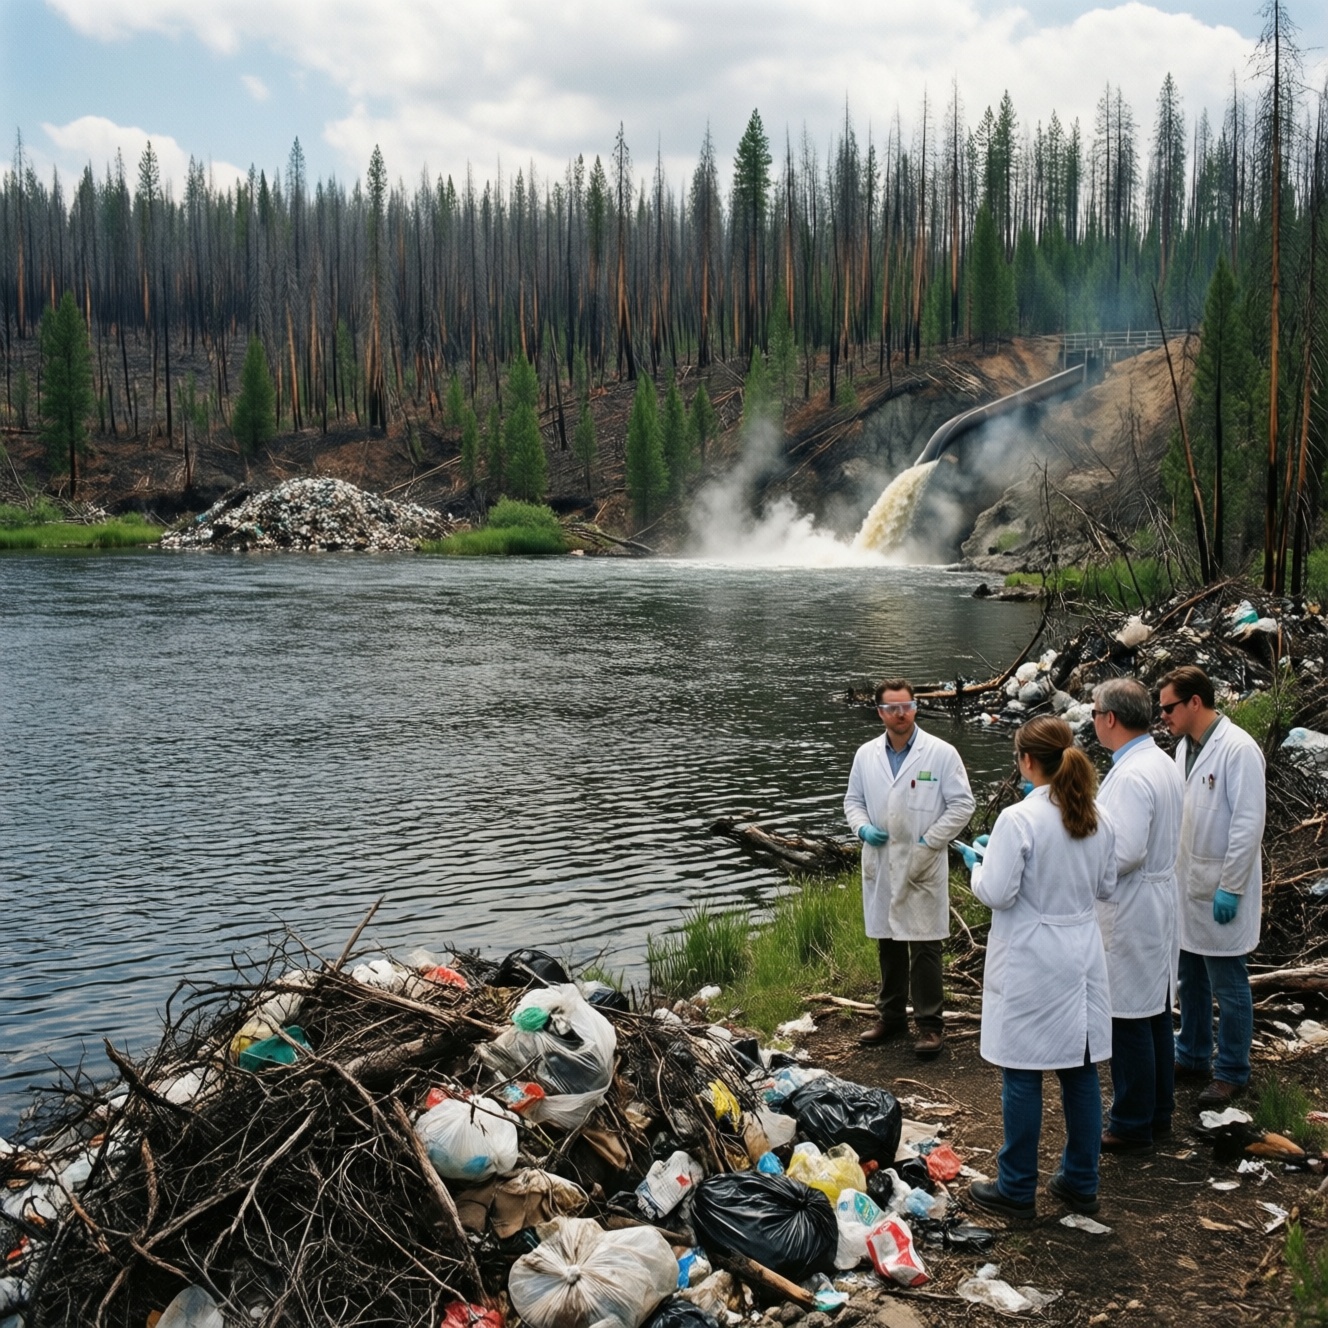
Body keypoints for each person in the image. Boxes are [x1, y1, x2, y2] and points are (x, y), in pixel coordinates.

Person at [960, 716, 1116, 1219]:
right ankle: (1081, 1179)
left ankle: (1016, 1187)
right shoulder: (1095, 814)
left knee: (1022, 1070)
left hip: (1032, 953)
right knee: (1079, 1068)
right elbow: (1107, 885)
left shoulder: (1018, 819)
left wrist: (977, 865)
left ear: (1028, 761)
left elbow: (999, 892)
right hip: (1082, 952)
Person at [844, 678, 975, 1059]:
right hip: (882, 861)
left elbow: (962, 805)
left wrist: (931, 840)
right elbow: (853, 800)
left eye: (907, 706)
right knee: (888, 942)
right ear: (880, 712)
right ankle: (891, 1017)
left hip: (922, 862)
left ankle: (931, 1026)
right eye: (892, 708)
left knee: (925, 947)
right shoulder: (866, 755)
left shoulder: (941, 753)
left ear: (915, 707)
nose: (901, 714)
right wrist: (862, 828)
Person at [1158, 665, 1266, 1109]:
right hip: (1189, 884)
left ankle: (1232, 1071)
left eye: (1169, 707)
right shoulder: (1185, 748)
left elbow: (1247, 822)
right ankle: (1193, 1055)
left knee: (1228, 981)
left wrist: (1232, 887)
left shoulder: (1237, 749)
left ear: (1194, 703)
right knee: (1191, 977)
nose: (1163, 715)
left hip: (1221, 887)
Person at [1091, 677, 1184, 1152]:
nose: (1092, 722)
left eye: (1093, 714)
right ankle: (1159, 1111)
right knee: (1153, 1012)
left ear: (1109, 718)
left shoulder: (1129, 775)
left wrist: (1083, 860)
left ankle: (1130, 1123)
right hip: (1157, 898)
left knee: (1127, 1016)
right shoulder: (1159, 761)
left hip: (1132, 904)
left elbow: (1124, 850)